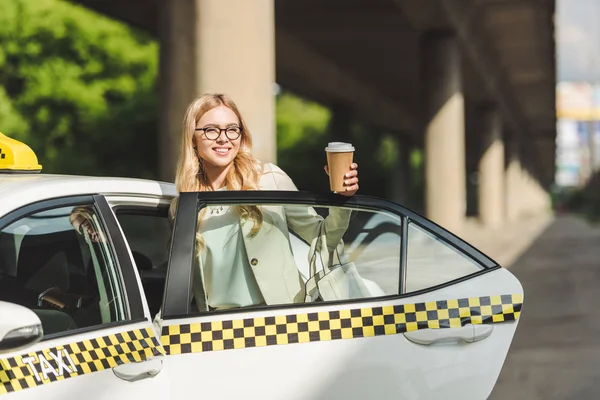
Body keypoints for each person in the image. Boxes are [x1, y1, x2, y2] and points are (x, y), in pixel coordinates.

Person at [170, 93, 360, 312]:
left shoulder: (269, 179)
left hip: (279, 320)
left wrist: (343, 200)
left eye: (232, 129)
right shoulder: (183, 206)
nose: (223, 138)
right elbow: (181, 283)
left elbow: (323, 238)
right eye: (211, 130)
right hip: (217, 329)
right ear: (193, 137)